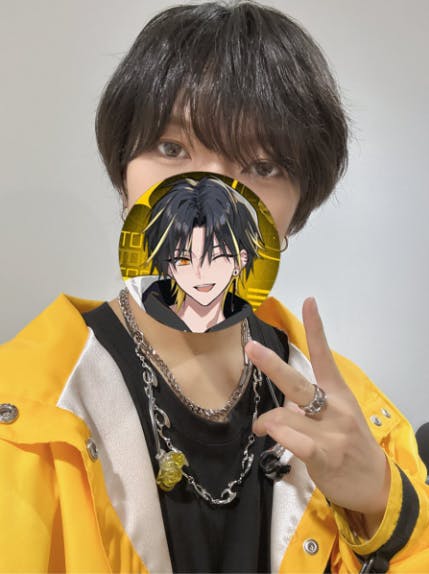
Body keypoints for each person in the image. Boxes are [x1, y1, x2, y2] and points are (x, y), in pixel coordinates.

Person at [0, 2, 428, 573]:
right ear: (123, 173)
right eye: (172, 149)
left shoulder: (354, 416)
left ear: (296, 210)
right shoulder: (24, 415)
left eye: (263, 166)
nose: (212, 202)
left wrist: (385, 509)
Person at [129, 175, 265, 333]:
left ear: (240, 260)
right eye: (184, 260)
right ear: (169, 267)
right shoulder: (132, 316)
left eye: (215, 256)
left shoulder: (264, 334)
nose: (201, 273)